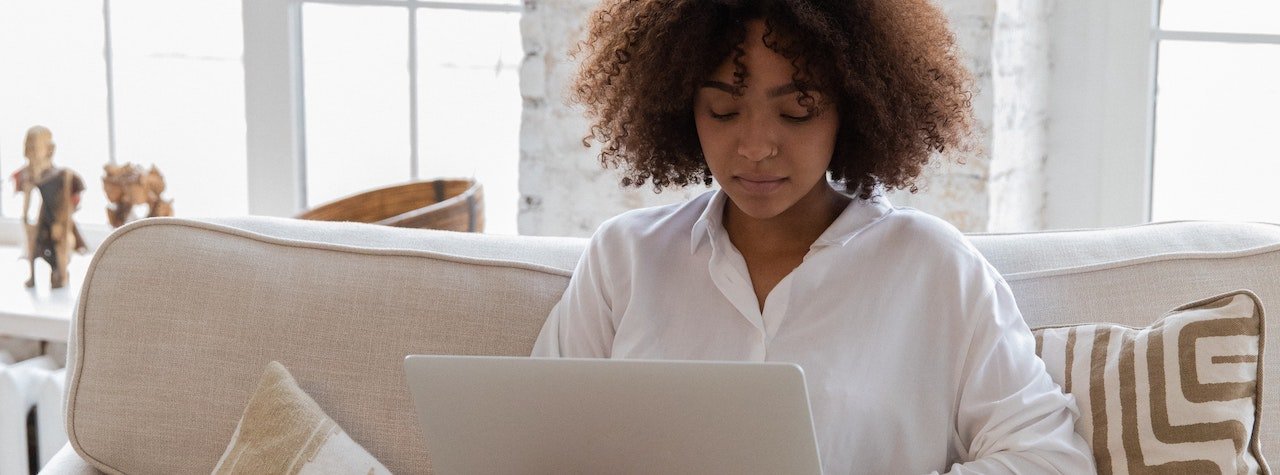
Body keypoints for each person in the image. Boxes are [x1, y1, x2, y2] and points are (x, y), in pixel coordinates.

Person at [532, 0, 1096, 473]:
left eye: (798, 112)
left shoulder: (936, 268)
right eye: (724, 110)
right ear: (683, 106)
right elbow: (535, 444)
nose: (755, 146)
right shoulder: (624, 258)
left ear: (852, 108)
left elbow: (1049, 458)